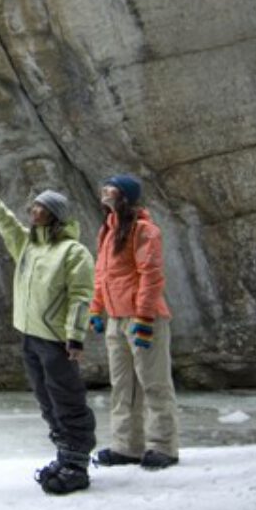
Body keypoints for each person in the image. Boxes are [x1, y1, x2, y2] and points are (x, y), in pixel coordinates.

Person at [0, 170, 96, 495]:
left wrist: (75, 337)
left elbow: (80, 296)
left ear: (54, 215)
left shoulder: (73, 253)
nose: (31, 212)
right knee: (47, 400)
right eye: (32, 207)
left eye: (38, 208)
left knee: (67, 399)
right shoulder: (27, 246)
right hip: (31, 337)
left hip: (57, 341)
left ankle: (77, 464)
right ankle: (64, 454)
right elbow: (1, 217)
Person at [88, 174, 180, 470]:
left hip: (144, 318)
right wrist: (96, 309)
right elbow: (102, 276)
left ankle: (163, 446)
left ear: (125, 195)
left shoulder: (144, 230)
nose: (104, 190)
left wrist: (143, 316)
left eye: (111, 187)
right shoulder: (108, 231)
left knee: (154, 383)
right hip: (116, 319)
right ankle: (127, 446)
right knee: (123, 386)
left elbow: (150, 275)